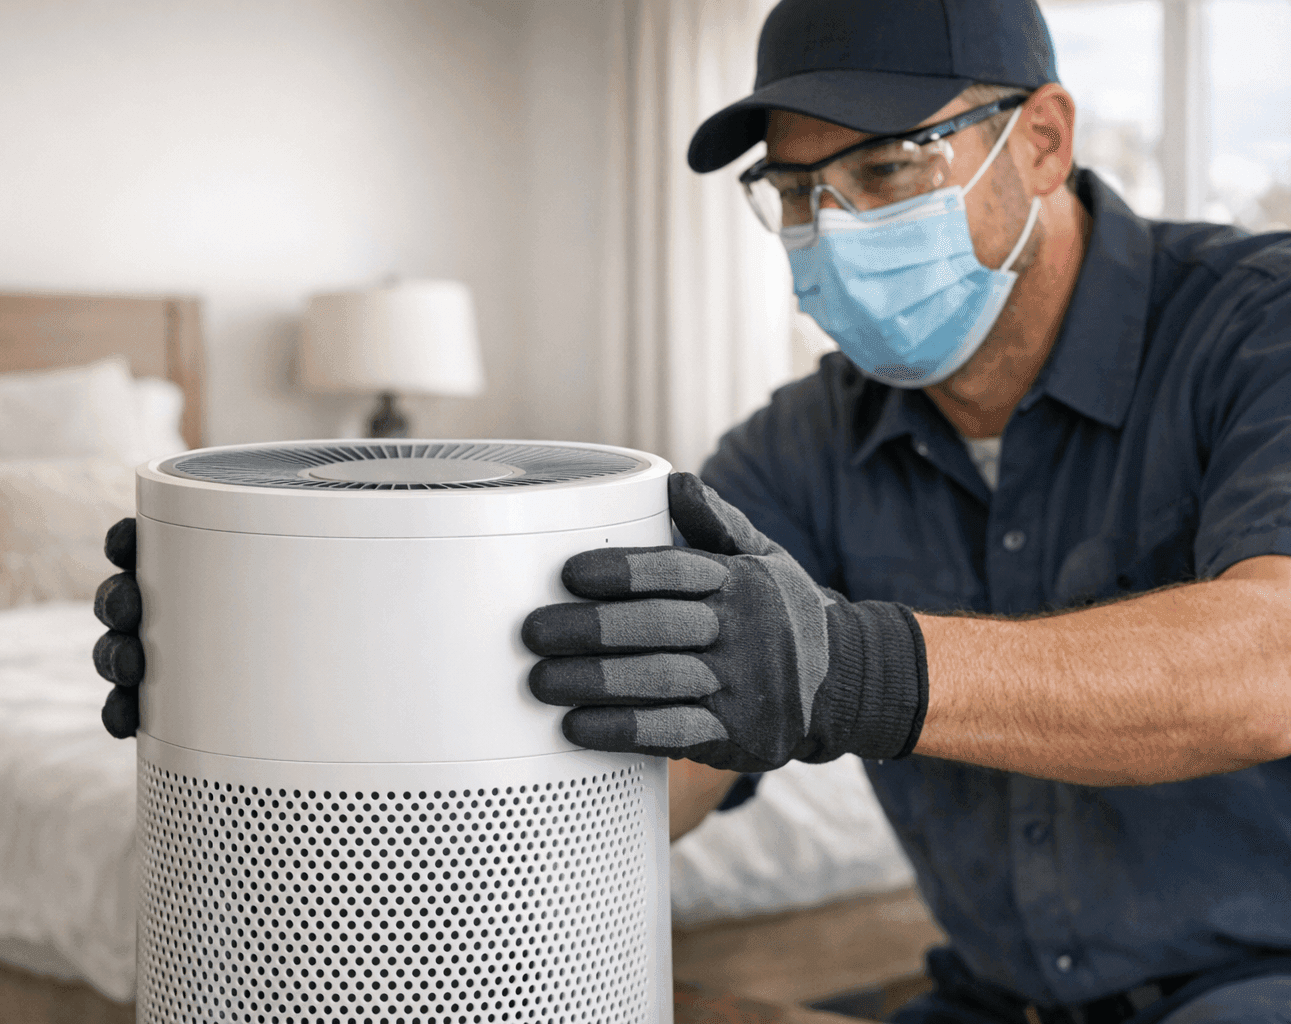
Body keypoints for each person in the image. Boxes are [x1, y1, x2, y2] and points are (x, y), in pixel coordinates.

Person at [94, 0, 1291, 1020]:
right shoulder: (801, 444)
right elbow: (640, 750)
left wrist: (854, 672)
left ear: (1040, 140)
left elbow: (1268, 661)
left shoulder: (1256, 328)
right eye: (800, 190)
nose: (838, 229)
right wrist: (273, 678)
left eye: (882, 169)